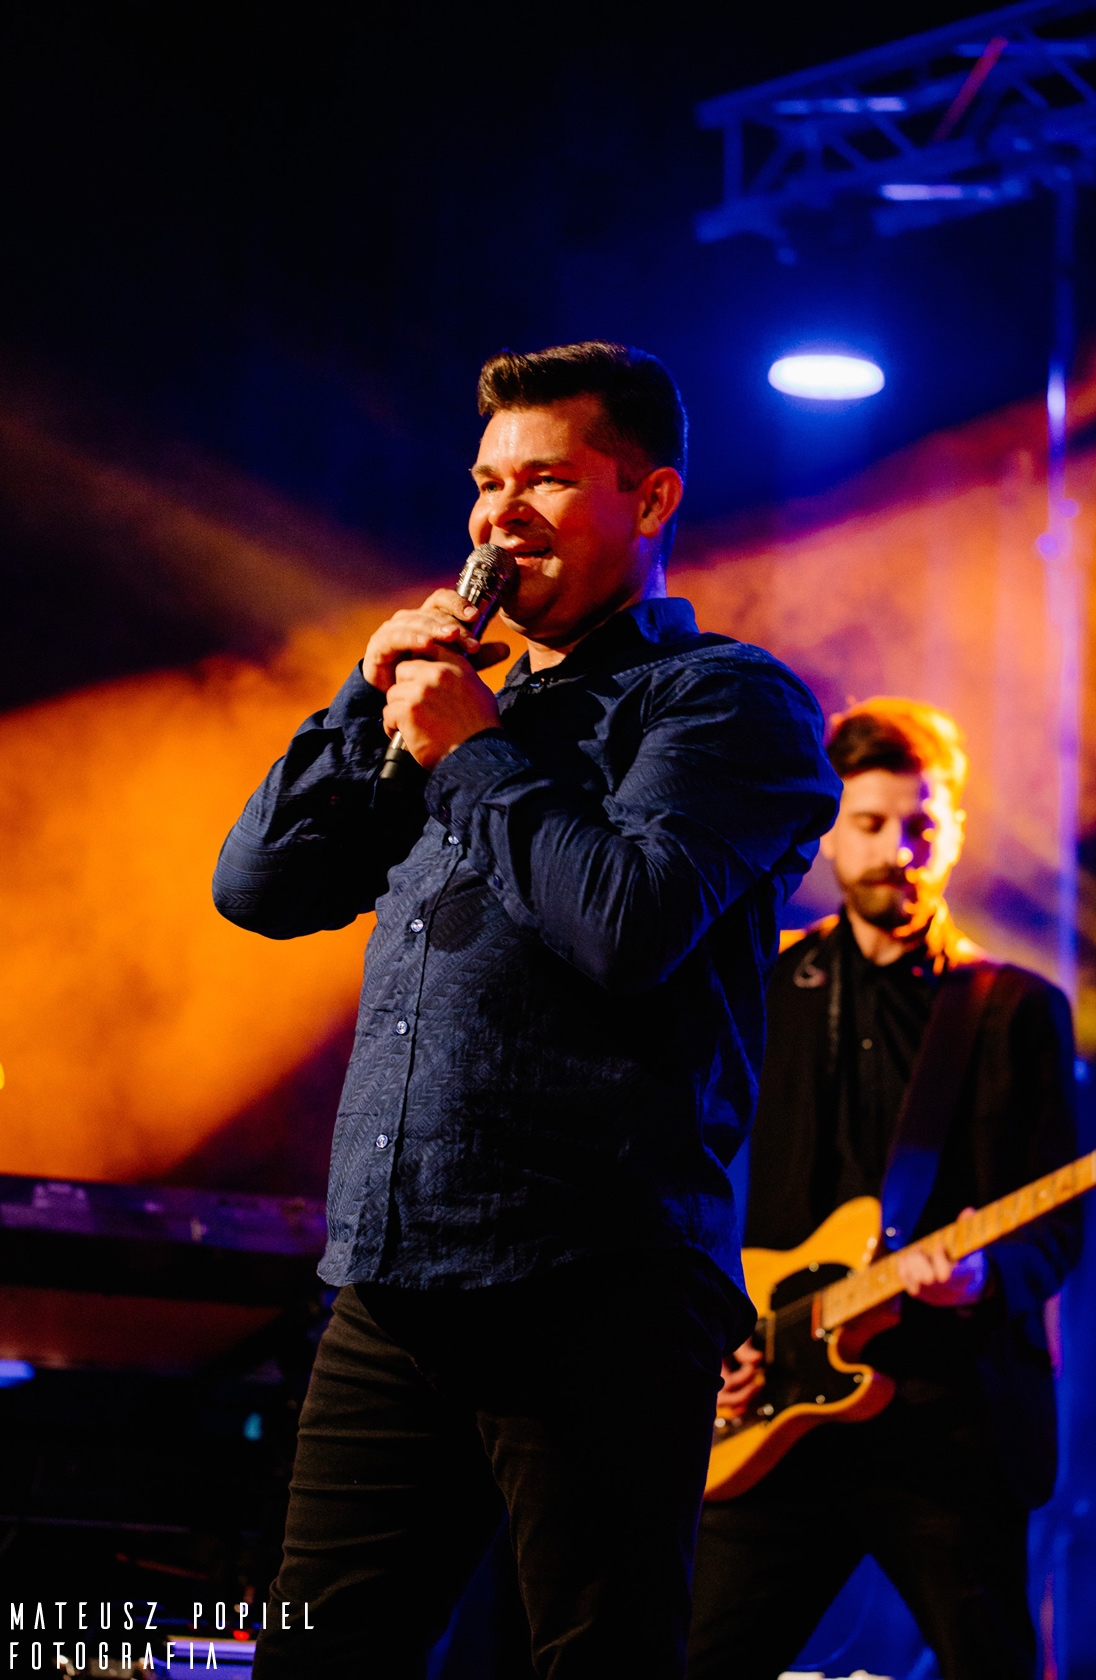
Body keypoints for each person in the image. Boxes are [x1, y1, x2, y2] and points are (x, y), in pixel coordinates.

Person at [212, 341, 841, 1678]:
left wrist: (475, 750)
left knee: (595, 1659)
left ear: (651, 498)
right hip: (394, 1283)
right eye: (487, 483)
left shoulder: (724, 702)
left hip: (594, 1287)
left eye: (546, 481)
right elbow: (258, 889)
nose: (500, 516)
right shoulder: (458, 709)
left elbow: (628, 924)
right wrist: (362, 702)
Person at [687, 697, 1083, 1680]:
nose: (896, 851)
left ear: (955, 830)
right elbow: (690, 1175)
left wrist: (984, 1277)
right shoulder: (763, 985)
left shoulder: (1014, 1008)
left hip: (948, 1423)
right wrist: (714, 1331)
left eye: (920, 826)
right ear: (830, 829)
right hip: (772, 1410)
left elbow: (1056, 1223)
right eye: (869, 824)